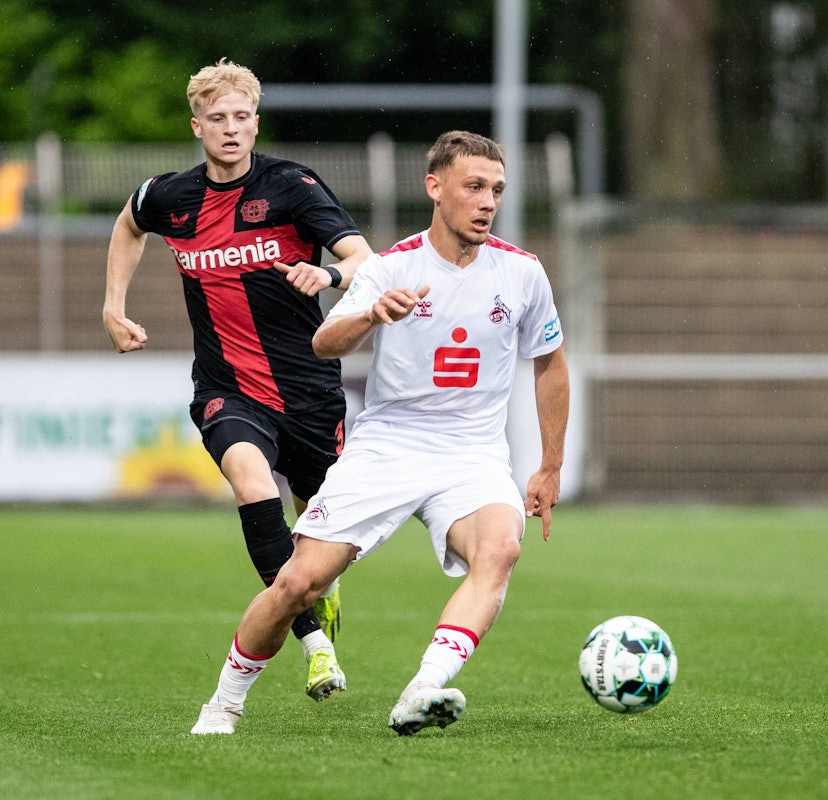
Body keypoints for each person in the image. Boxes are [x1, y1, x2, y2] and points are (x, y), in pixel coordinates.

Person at [189, 130, 570, 736]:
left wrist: (549, 465)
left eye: (496, 189)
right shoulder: (391, 266)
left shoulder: (522, 273)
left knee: (500, 549)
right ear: (435, 188)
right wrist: (372, 312)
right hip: (389, 444)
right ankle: (224, 702)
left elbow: (550, 364)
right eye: (474, 187)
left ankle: (424, 689)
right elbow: (323, 342)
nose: (487, 201)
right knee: (299, 581)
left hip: (471, 452)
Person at [103, 58, 374, 701]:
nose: (231, 129)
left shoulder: (293, 187)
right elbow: (127, 224)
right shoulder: (171, 196)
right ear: (198, 127)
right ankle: (316, 646)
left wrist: (330, 277)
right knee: (253, 487)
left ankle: (321, 587)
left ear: (256, 123)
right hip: (228, 389)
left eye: (242, 118)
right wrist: (113, 305)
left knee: (322, 528)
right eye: (218, 119)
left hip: (309, 391)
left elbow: (365, 259)